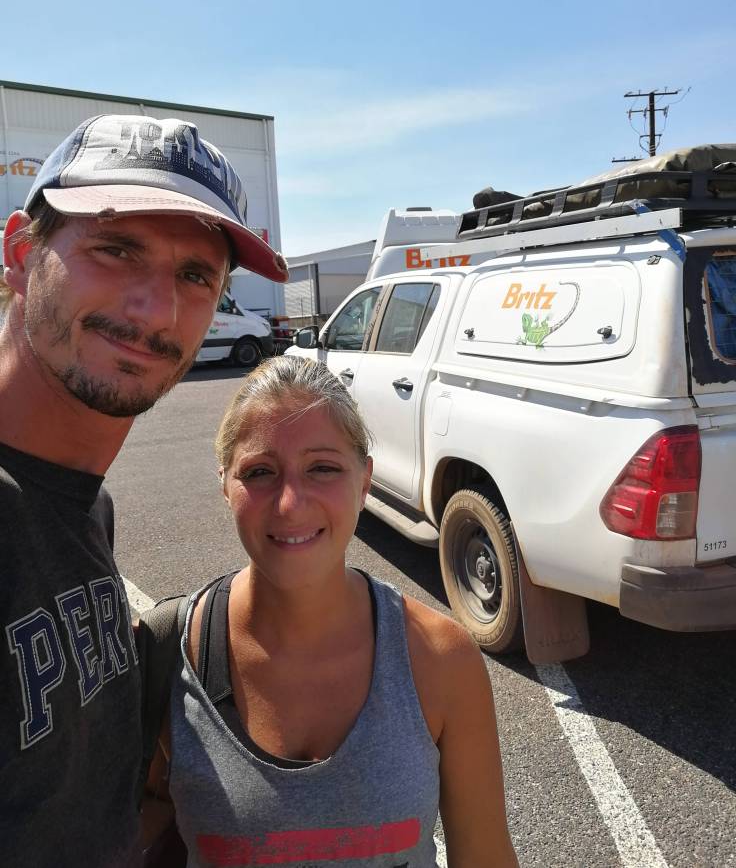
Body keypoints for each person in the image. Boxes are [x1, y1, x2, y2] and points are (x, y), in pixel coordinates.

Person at [0, 113, 288, 867]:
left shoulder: (82, 506)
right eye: (116, 248)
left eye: (195, 276)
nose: (158, 309)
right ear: (21, 254)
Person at [146, 355, 518, 867]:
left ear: (364, 482)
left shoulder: (440, 658)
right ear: (225, 484)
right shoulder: (166, 653)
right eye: (259, 472)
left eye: (322, 468)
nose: (290, 504)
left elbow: (485, 855)